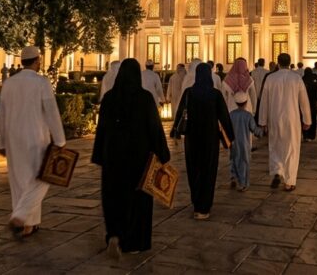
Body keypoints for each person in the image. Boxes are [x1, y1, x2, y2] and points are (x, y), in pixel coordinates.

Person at [93, 59, 170, 258]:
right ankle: (134, 241)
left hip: (113, 159)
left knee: (114, 197)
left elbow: (101, 129)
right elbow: (154, 128)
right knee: (138, 201)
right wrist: (163, 154)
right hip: (139, 159)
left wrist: (100, 154)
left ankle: (115, 234)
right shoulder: (144, 99)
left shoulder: (110, 98)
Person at [0, 46, 67, 237]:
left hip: (13, 138)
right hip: (36, 137)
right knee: (42, 178)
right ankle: (20, 215)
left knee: (19, 180)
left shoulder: (9, 83)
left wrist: (1, 142)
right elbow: (51, 111)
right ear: (37, 61)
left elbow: (1, 114)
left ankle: (30, 224)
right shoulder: (41, 82)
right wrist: (60, 140)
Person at [171, 63, 233, 220]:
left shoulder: (189, 93)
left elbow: (180, 114)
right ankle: (205, 207)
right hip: (210, 139)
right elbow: (224, 117)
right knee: (208, 171)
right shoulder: (215, 94)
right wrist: (230, 137)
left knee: (194, 171)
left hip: (192, 139)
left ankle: (197, 204)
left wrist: (176, 133)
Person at [258, 53, 311, 191]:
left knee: (275, 145)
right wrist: (307, 119)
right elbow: (304, 101)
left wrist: (262, 120)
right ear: (290, 62)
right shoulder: (296, 78)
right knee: (292, 148)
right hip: (292, 118)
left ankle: (277, 171)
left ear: (278, 63)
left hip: (275, 117)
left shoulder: (270, 78)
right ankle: (289, 181)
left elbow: (264, 101)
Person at [228, 91, 262, 191]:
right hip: (244, 143)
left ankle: (233, 176)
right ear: (246, 102)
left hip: (233, 143)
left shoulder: (231, 114)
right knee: (244, 162)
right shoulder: (248, 115)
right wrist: (261, 132)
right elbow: (254, 129)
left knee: (233, 159)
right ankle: (243, 184)